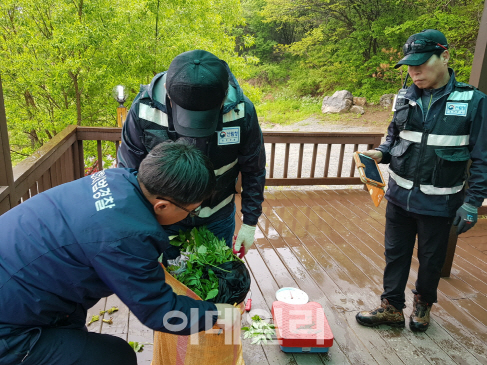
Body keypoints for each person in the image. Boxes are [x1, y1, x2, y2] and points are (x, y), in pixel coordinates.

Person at [0, 141, 239, 365]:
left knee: (74, 333)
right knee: (116, 356)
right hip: (9, 326)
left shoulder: (117, 178)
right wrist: (215, 313)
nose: (189, 216)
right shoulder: (127, 236)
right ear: (162, 206)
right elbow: (160, 311)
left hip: (24, 287)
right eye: (192, 211)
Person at [355, 29, 487, 332]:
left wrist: (472, 203)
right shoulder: (405, 97)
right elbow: (394, 138)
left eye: (421, 63)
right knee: (395, 255)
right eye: (410, 65)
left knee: (431, 261)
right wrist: (380, 153)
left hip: (440, 202)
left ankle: (423, 306)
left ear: (444, 56)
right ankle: (391, 307)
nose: (414, 71)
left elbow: (482, 158)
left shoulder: (473, 101)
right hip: (399, 197)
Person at [117, 49, 266, 259]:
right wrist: (140, 229)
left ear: (224, 95)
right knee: (165, 283)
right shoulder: (143, 109)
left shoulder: (242, 111)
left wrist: (250, 222)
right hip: (162, 221)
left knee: (213, 280)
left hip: (218, 216)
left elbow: (254, 169)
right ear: (168, 90)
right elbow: (128, 173)